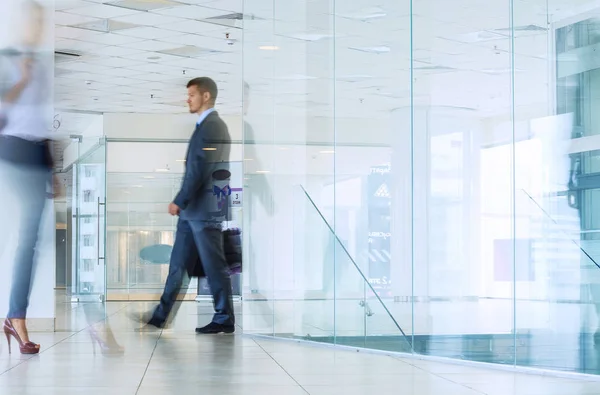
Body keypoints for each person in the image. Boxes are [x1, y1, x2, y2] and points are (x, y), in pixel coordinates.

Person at [141, 77, 235, 334]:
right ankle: (160, 316)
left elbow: (200, 169)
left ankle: (224, 318)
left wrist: (179, 200)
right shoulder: (205, 126)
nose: (188, 99)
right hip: (192, 212)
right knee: (178, 265)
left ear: (206, 96)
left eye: (192, 94)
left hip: (202, 211)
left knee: (214, 265)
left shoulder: (213, 126)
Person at [0, 0, 59, 354]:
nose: (36, 28)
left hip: (37, 153)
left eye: (41, 21)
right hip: (14, 151)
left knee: (33, 238)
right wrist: (21, 79)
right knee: (28, 237)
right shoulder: (6, 58)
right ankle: (16, 316)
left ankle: (15, 315)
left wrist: (53, 169)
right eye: (31, 20)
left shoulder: (45, 65)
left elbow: (43, 121)